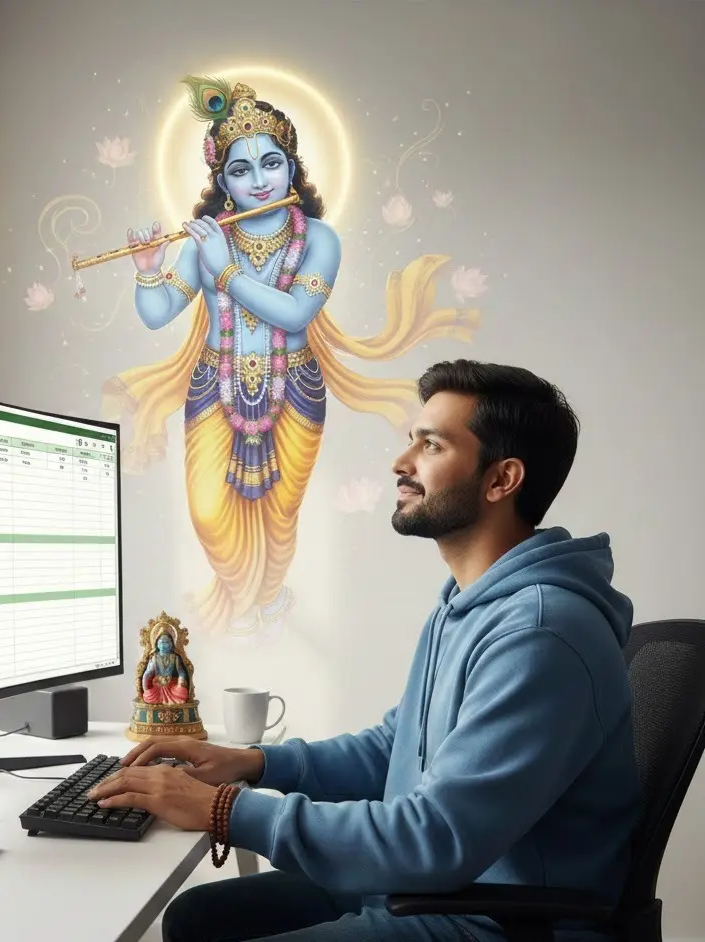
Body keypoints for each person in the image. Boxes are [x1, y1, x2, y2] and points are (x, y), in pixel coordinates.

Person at [87, 359, 642, 941]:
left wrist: (224, 808)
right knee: (193, 919)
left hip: (493, 921)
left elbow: (436, 836)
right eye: (411, 441)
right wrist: (256, 763)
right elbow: (392, 750)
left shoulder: (538, 633)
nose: (401, 464)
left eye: (431, 445)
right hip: (431, 889)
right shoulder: (467, 604)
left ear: (501, 480)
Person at [101, 75, 481, 637]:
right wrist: (149, 269)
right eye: (240, 169)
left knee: (281, 514)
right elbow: (158, 313)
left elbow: (295, 314)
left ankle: (269, 596)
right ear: (223, 181)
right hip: (214, 388)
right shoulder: (207, 240)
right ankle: (238, 596)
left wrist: (222, 270)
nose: (259, 180)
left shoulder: (319, 239)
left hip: (295, 391)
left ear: (292, 167)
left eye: (271, 163)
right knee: (207, 512)